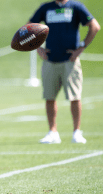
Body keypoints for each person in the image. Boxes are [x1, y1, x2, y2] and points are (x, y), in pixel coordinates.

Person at [29, 0, 100, 144]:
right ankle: (52, 132)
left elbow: (95, 26)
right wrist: (38, 47)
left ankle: (77, 132)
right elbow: (28, 27)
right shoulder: (46, 7)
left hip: (70, 60)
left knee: (75, 97)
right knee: (49, 97)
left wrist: (81, 47)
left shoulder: (76, 7)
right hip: (50, 59)